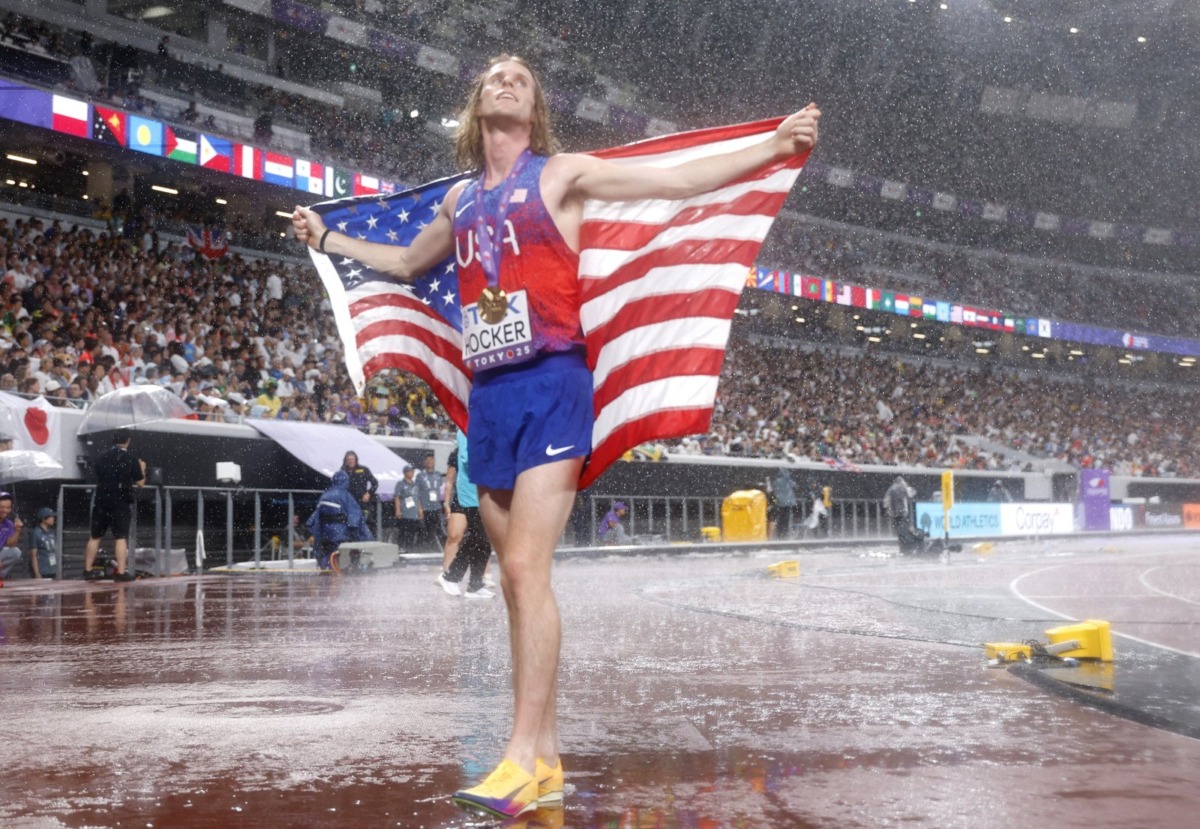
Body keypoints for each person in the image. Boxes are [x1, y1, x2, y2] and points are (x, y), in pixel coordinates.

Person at [292, 53, 820, 818]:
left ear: (534, 110)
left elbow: (674, 182)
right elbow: (406, 262)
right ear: (477, 105)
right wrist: (328, 240)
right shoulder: (461, 199)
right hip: (489, 398)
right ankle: (542, 757)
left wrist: (771, 147)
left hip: (552, 385)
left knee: (524, 566)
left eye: (522, 78)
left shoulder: (562, 174)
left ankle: (518, 754)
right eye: (494, 75)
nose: (507, 79)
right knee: (514, 580)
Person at [437, 430, 495, 598]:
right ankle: (450, 577)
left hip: (486, 491)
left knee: (485, 540)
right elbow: (468, 459)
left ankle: (475, 585)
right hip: (471, 492)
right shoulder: (467, 428)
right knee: (479, 536)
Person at [84, 430, 146, 581]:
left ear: (114, 440)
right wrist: (142, 468)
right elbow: (140, 483)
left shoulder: (101, 456)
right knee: (120, 537)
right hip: (120, 501)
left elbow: (96, 473)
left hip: (101, 499)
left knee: (95, 536)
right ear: (128, 441)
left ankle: (88, 570)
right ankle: (121, 573)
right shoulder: (130, 458)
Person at [305, 470, 373, 570]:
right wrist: (367, 538)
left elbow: (314, 520)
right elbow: (356, 519)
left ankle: (326, 566)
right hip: (341, 536)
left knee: (327, 554)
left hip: (324, 536)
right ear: (346, 482)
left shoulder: (324, 496)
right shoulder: (346, 496)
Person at [416, 453, 446, 550]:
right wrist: (420, 508)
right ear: (424, 462)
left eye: (431, 459)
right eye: (427, 460)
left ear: (434, 461)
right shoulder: (420, 476)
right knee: (426, 530)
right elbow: (417, 493)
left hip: (436, 507)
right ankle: (426, 549)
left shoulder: (438, 475)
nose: (429, 462)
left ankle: (440, 549)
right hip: (426, 507)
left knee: (439, 529)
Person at [884, 475, 918, 555]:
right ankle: (906, 547)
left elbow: (887, 500)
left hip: (895, 512)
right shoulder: (903, 487)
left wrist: (890, 510)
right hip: (903, 512)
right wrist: (907, 487)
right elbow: (911, 494)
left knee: (899, 530)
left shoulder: (891, 488)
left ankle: (902, 546)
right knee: (905, 529)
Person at [392, 465, 423, 551]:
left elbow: (417, 498)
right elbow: (397, 497)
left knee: (412, 532)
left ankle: (410, 548)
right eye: (410, 471)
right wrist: (398, 510)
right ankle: (401, 548)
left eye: (413, 471)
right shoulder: (401, 484)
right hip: (405, 512)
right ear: (405, 473)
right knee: (403, 531)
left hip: (414, 513)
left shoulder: (415, 485)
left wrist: (420, 509)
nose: (412, 473)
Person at [0, 492, 25, 584]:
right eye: (2, 507)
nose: (5, 510)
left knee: (16, 552)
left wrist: (17, 530)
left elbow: (11, 544)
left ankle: (0, 576)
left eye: (8, 507)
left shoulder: (8, 523)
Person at [29, 506, 57, 580]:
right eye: (51, 517)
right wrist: (37, 573)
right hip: (42, 570)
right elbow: (33, 555)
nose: (53, 518)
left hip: (52, 569)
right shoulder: (36, 533)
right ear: (43, 518)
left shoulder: (51, 532)